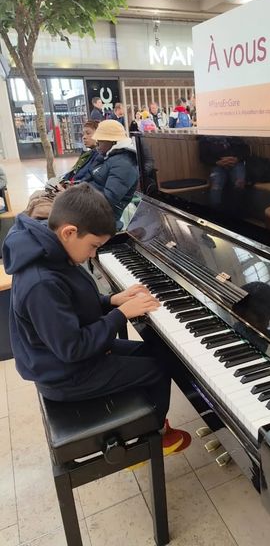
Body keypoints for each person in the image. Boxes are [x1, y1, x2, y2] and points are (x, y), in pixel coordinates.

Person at [2, 184, 191, 453]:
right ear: (69, 232)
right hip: (65, 375)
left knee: (159, 351)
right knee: (159, 368)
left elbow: (74, 307)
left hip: (69, 359)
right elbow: (74, 348)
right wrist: (120, 314)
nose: (93, 254)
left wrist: (111, 301)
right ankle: (151, 437)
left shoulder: (52, 249)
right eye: (93, 246)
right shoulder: (41, 283)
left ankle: (145, 421)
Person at [85, 119, 139, 230]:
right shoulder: (110, 156)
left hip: (100, 219)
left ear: (112, 142)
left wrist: (74, 198)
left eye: (100, 142)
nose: (97, 145)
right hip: (90, 210)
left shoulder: (124, 164)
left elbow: (108, 200)